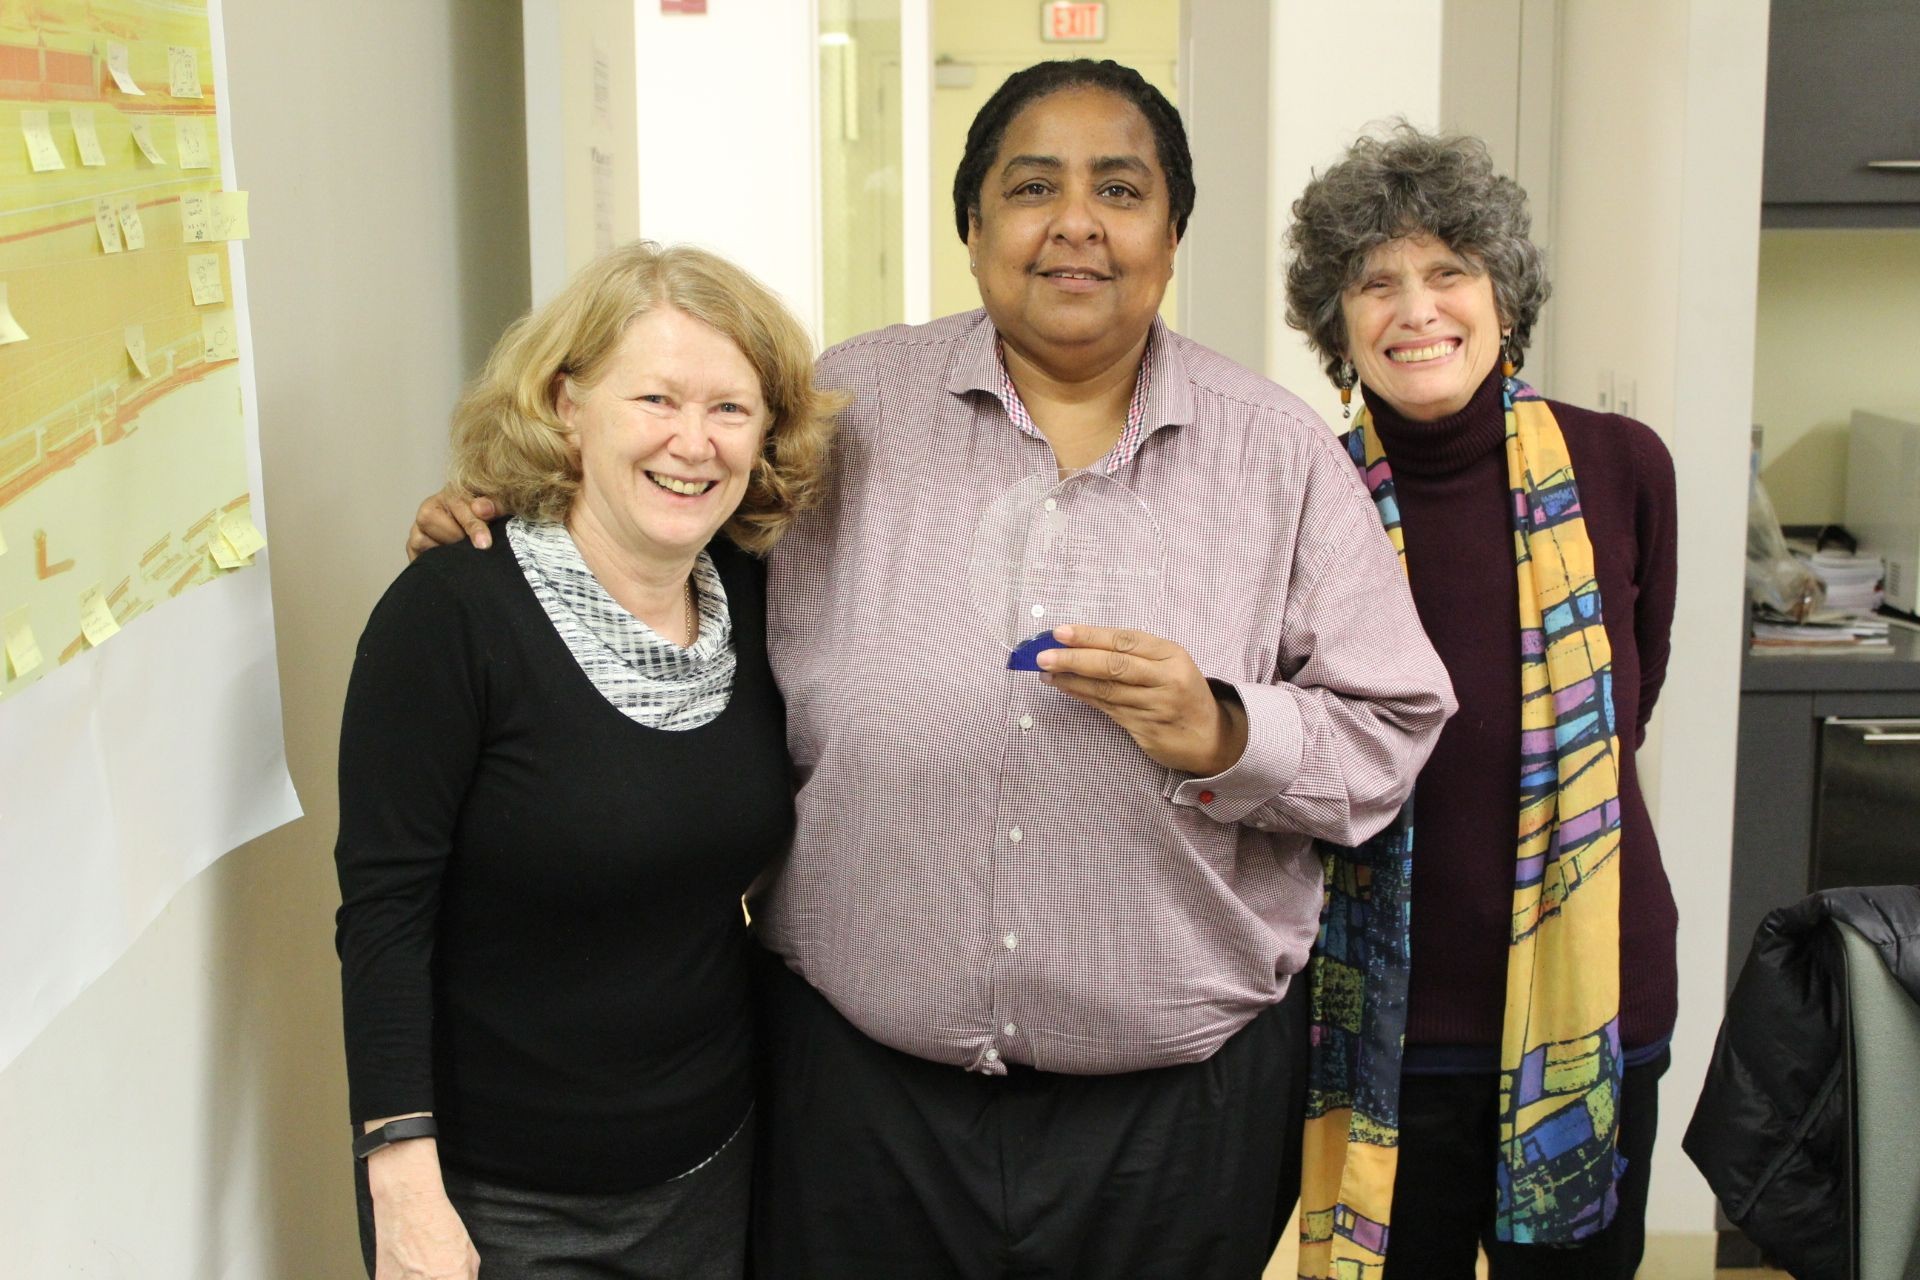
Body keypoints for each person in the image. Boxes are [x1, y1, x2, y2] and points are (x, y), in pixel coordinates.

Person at [414, 60, 1454, 1277]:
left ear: (1172, 232)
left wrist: (1227, 729)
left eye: (1119, 188)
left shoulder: (1279, 455)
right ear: (971, 228)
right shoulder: (842, 412)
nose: (1075, 221)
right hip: (856, 1101)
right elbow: (666, 520)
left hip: (1175, 1122)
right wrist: (522, 518)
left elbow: (1393, 726)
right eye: (1031, 187)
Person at [336, 241, 842, 1279]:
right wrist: (402, 1181)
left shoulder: (753, 591)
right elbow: (385, 916)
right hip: (500, 1200)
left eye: (730, 410)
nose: (692, 443)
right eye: (654, 398)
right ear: (567, 405)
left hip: (713, 1166)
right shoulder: (450, 615)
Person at [1283, 125, 1679, 1280]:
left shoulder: (1623, 464)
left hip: (1592, 997)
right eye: (1375, 281)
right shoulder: (1297, 486)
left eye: (1450, 270)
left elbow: (1629, 702)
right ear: (1336, 321)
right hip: (1378, 1025)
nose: (1418, 308)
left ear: (1505, 294)